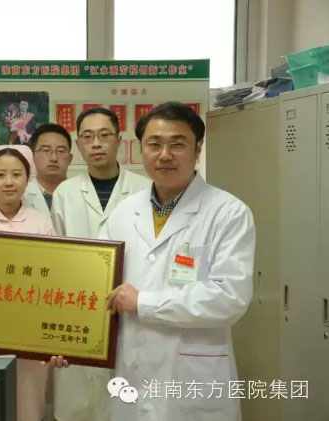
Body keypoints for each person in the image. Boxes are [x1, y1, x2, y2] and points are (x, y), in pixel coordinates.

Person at [102, 102, 255, 421]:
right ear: (140, 150)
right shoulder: (124, 212)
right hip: (132, 372)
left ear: (198, 149)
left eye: (177, 144)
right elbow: (99, 281)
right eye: (154, 144)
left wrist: (144, 303)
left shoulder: (228, 213)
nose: (164, 154)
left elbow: (230, 298)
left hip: (191, 377)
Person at [51, 107, 150, 421]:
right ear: (78, 145)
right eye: (88, 136)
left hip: (129, 308)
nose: (96, 143)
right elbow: (57, 258)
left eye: (104, 135)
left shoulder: (145, 189)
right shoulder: (65, 193)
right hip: (76, 308)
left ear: (119, 140)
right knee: (77, 403)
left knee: (125, 403)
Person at [0, 145, 56, 421]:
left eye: (17, 174)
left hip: (31, 331)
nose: (9, 182)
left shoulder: (42, 223)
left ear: (27, 180)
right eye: (0, 174)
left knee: (29, 406)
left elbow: (52, 277)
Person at [24, 123, 73, 213]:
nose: (54, 158)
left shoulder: (80, 194)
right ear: (33, 156)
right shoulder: (21, 196)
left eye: (61, 151)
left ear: (70, 159)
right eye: (46, 150)